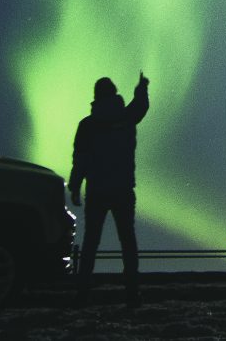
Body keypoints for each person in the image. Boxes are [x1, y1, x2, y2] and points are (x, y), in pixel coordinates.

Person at [68, 71, 150, 304]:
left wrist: (75, 186)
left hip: (96, 191)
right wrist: (142, 87)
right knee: (128, 240)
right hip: (123, 189)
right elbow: (141, 106)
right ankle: (132, 291)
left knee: (91, 241)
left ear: (95, 96)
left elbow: (80, 159)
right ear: (114, 93)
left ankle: (82, 291)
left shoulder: (88, 125)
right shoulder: (126, 118)